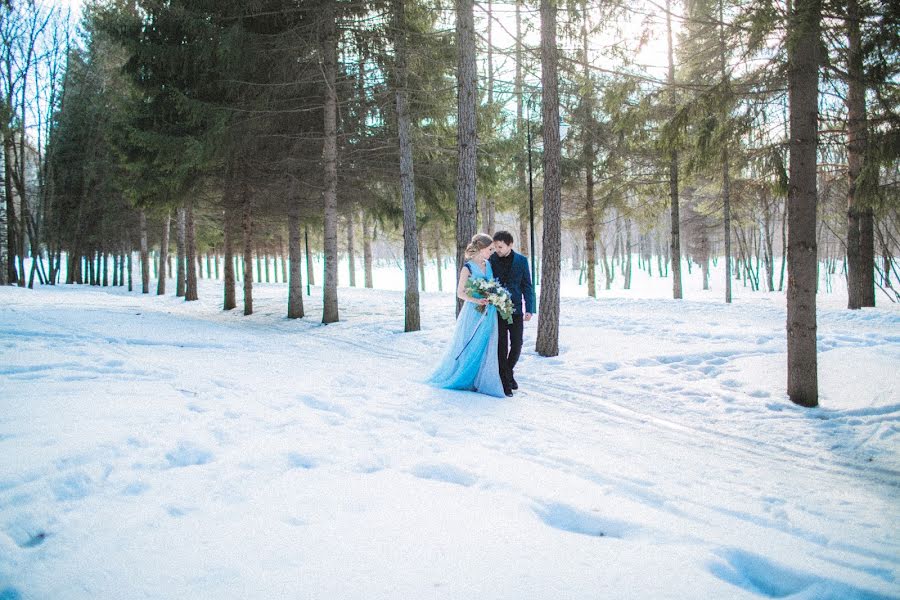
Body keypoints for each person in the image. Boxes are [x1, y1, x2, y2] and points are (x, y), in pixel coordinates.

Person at [427, 233, 506, 398]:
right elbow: (460, 293)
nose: (492, 252)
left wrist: (495, 295)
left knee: (486, 344)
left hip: (489, 311)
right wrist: (476, 300)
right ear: (481, 248)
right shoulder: (468, 267)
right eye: (489, 249)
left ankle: (481, 380)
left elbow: (492, 284)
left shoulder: (489, 265)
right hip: (474, 311)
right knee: (471, 343)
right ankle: (464, 377)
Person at [488, 231, 535, 396]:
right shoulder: (491, 260)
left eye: (500, 247)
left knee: (517, 344)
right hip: (497, 310)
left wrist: (529, 308)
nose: (497, 250)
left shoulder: (522, 261)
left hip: (515, 309)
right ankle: (504, 382)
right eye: (495, 247)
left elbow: (527, 286)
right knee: (501, 346)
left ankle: (508, 372)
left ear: (510, 245)